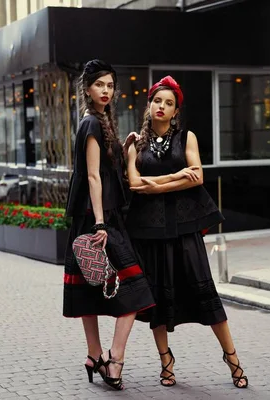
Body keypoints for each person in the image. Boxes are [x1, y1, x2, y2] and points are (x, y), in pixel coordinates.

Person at [126, 76, 248, 389]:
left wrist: (158, 184)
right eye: (157, 101)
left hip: (184, 228)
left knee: (205, 291)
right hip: (150, 232)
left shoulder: (186, 138)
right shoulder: (136, 143)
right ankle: (166, 361)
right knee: (157, 301)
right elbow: (134, 185)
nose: (162, 107)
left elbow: (197, 178)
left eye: (169, 103)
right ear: (149, 105)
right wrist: (175, 175)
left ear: (176, 109)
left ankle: (232, 357)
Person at [63, 60, 155, 391]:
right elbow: (91, 176)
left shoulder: (101, 122)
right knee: (135, 287)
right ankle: (113, 359)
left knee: (91, 289)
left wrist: (124, 146)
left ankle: (95, 355)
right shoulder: (91, 124)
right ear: (87, 88)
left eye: (110, 85)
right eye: (100, 84)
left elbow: (104, 169)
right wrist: (101, 224)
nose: (106, 90)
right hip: (98, 220)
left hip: (97, 218)